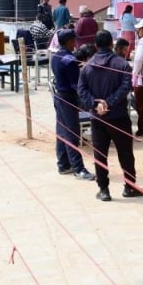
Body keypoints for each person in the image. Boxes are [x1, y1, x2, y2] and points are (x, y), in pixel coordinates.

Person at [78, 30, 143, 201]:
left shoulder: (87, 67)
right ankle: (130, 186)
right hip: (118, 116)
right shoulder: (122, 64)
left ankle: (104, 189)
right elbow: (126, 87)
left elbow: (82, 91)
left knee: (100, 154)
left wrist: (96, 103)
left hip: (97, 117)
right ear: (111, 44)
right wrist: (110, 102)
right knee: (125, 153)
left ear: (96, 45)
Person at [51, 29, 95, 181]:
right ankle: (78, 168)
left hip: (59, 96)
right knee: (72, 133)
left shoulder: (56, 55)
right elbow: (76, 85)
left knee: (62, 131)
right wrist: (90, 100)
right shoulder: (69, 60)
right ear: (69, 41)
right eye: (73, 40)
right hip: (68, 98)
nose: (75, 43)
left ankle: (64, 164)